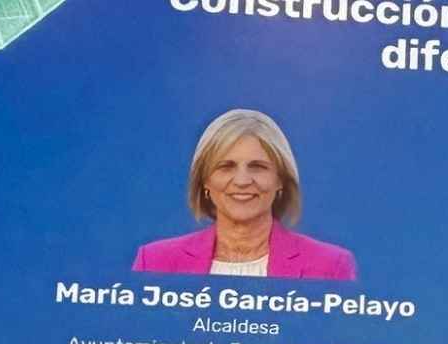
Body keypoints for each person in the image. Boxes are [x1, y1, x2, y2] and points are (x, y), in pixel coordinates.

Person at [133, 109, 357, 280]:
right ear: (204, 181)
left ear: (280, 180)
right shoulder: (154, 262)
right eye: (226, 167)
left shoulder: (331, 266)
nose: (242, 181)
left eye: (258, 167)